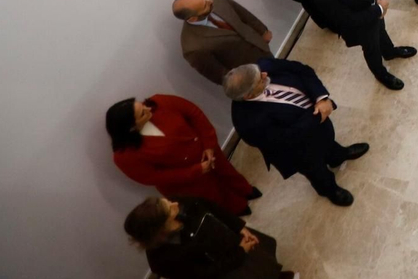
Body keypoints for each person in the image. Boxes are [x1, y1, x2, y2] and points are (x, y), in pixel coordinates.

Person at [225, 60, 367, 208]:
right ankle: (329, 190)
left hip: (318, 127)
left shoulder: (262, 67)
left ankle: (338, 156)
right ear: (248, 95)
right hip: (299, 151)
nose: (265, 74)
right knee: (317, 172)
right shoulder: (247, 122)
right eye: (260, 79)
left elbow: (302, 70)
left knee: (329, 143)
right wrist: (319, 114)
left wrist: (321, 98)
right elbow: (286, 138)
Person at [108, 96, 256, 215]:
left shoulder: (159, 102)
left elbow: (194, 113)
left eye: (141, 104)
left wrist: (209, 145)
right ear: (132, 128)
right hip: (186, 180)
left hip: (206, 150)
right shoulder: (124, 155)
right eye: (142, 113)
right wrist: (195, 171)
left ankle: (245, 190)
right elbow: (154, 177)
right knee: (212, 196)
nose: (148, 108)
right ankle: (235, 209)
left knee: (227, 172)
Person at [306, 0, 416, 90]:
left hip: (375, 6)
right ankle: (381, 74)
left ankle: (389, 52)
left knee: (382, 31)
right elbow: (349, 19)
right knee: (372, 49)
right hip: (361, 25)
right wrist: (378, 9)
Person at [122, 195, 292, 279]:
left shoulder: (181, 203)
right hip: (226, 266)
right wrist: (241, 252)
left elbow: (212, 207)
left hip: (231, 240)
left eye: (168, 201)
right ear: (161, 228)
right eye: (170, 209)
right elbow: (206, 275)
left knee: (262, 260)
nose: (175, 204)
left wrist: (239, 227)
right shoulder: (164, 260)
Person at [173, 0, 272, 85]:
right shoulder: (192, 47)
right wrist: (247, 83)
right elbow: (219, 74)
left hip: (262, 48)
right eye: (205, 5)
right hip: (252, 74)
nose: (210, 1)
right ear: (193, 18)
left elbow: (242, 12)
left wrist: (262, 30)